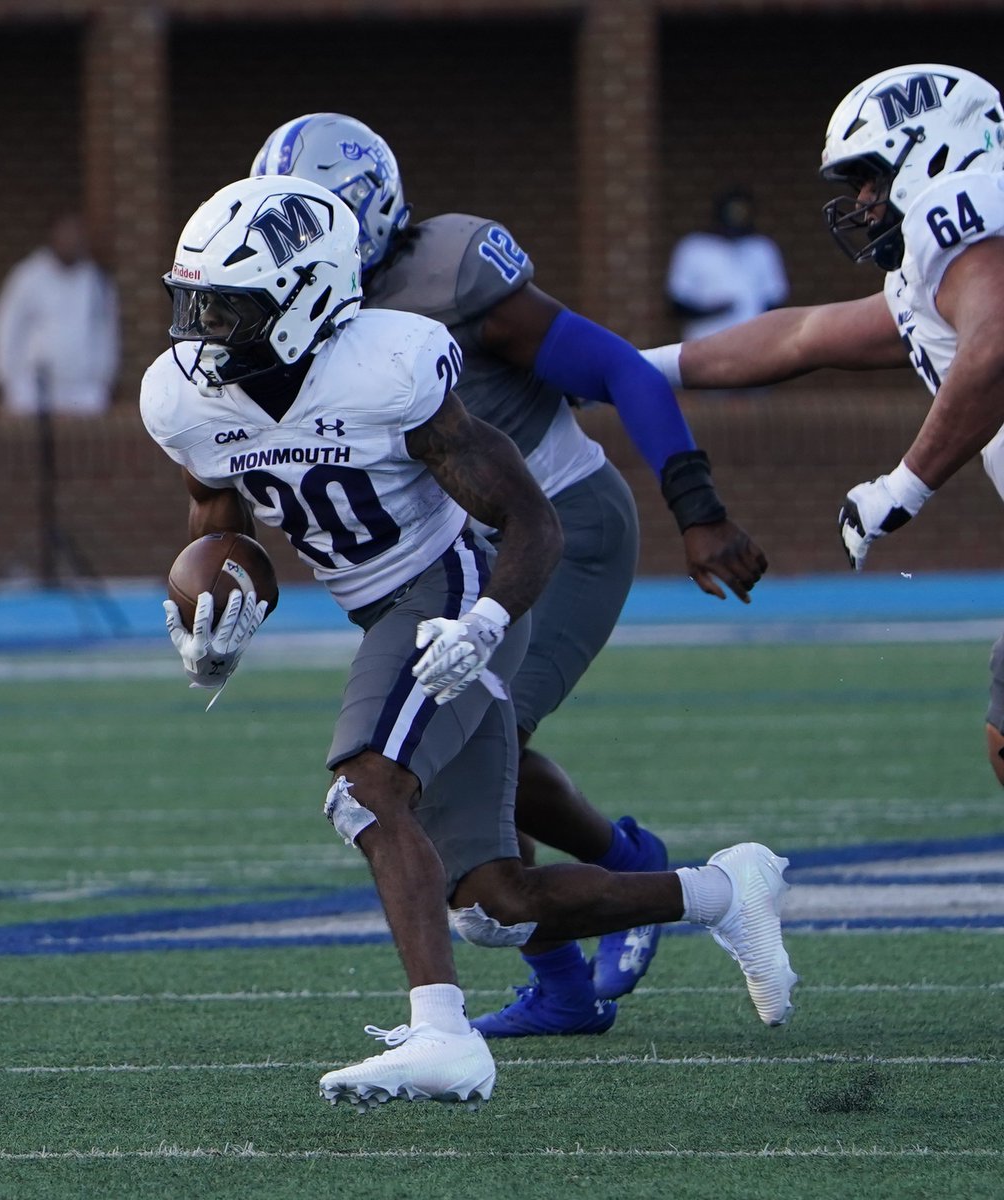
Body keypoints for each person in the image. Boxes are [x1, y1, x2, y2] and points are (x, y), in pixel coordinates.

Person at [139, 173, 796, 1109]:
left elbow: (533, 523)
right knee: (494, 902)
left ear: (307, 299)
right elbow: (222, 523)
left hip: (443, 590)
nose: (202, 328)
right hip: (379, 609)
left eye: (228, 307)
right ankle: (722, 891)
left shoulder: (392, 365)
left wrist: (486, 620)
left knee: (368, 791)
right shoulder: (186, 399)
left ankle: (443, 1036)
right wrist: (217, 626)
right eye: (193, 301)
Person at [250, 114, 769, 1037]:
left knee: (484, 735)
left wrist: (699, 508)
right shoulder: (302, 313)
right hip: (457, 552)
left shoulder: (453, 275)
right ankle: (570, 967)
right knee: (477, 748)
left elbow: (620, 371)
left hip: (559, 525)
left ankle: (625, 877)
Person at [641, 63, 1004, 788]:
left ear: (933, 151)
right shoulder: (936, 272)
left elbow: (998, 344)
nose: (863, 202)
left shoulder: (964, 206)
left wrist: (904, 486)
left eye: (870, 178)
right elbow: (801, 336)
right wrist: (625, 371)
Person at [0, 212, 120, 416]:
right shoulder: (28, 276)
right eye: (64, 235)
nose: (70, 241)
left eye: (75, 235)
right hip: (33, 387)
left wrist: (105, 376)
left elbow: (107, 332)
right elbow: (6, 325)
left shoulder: (95, 281)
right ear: (52, 237)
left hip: (82, 388)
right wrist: (5, 375)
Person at [665, 186, 789, 342]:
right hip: (704, 343)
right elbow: (677, 305)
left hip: (753, 345)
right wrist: (716, 310)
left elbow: (775, 301)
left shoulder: (762, 248)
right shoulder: (693, 247)